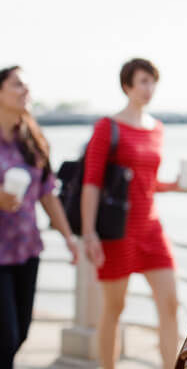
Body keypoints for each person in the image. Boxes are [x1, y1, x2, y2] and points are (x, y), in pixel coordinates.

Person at [81, 58, 180, 369]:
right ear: (127, 86)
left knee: (170, 303)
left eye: (152, 82)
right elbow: (92, 182)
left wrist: (174, 185)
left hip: (151, 229)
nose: (149, 89)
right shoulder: (107, 127)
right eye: (143, 82)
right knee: (115, 307)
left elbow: (146, 181)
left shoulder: (157, 128)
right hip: (117, 230)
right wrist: (88, 233)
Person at [0, 66, 79, 369]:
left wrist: (69, 239)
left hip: (27, 250)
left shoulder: (32, 137)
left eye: (27, 86)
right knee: (5, 338)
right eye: (17, 85)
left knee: (19, 334)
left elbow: (47, 194)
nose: (25, 91)